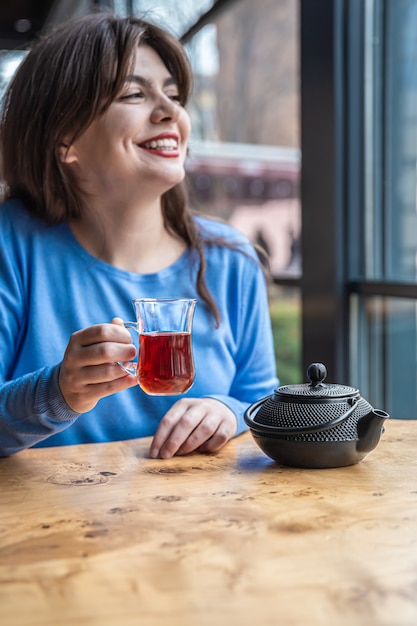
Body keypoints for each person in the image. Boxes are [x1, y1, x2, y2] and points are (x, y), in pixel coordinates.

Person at [0, 11, 278, 458]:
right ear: (65, 138)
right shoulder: (10, 246)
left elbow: (261, 400)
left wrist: (224, 410)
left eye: (172, 93)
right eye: (134, 93)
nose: (171, 111)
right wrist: (58, 391)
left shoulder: (231, 260)